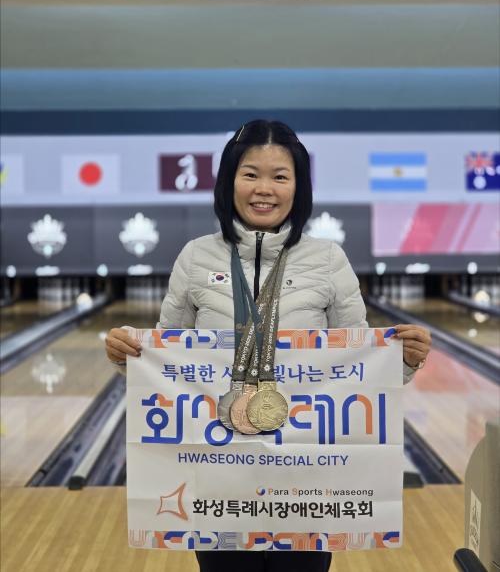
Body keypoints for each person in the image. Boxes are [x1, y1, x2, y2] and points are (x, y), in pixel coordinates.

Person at [105, 119, 431, 572]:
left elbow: (359, 367)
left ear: (299, 187)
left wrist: (404, 361)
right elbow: (167, 359)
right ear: (229, 182)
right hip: (219, 478)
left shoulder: (328, 260)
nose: (264, 189)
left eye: (280, 176)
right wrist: (128, 357)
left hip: (306, 481)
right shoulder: (196, 257)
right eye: (250, 174)